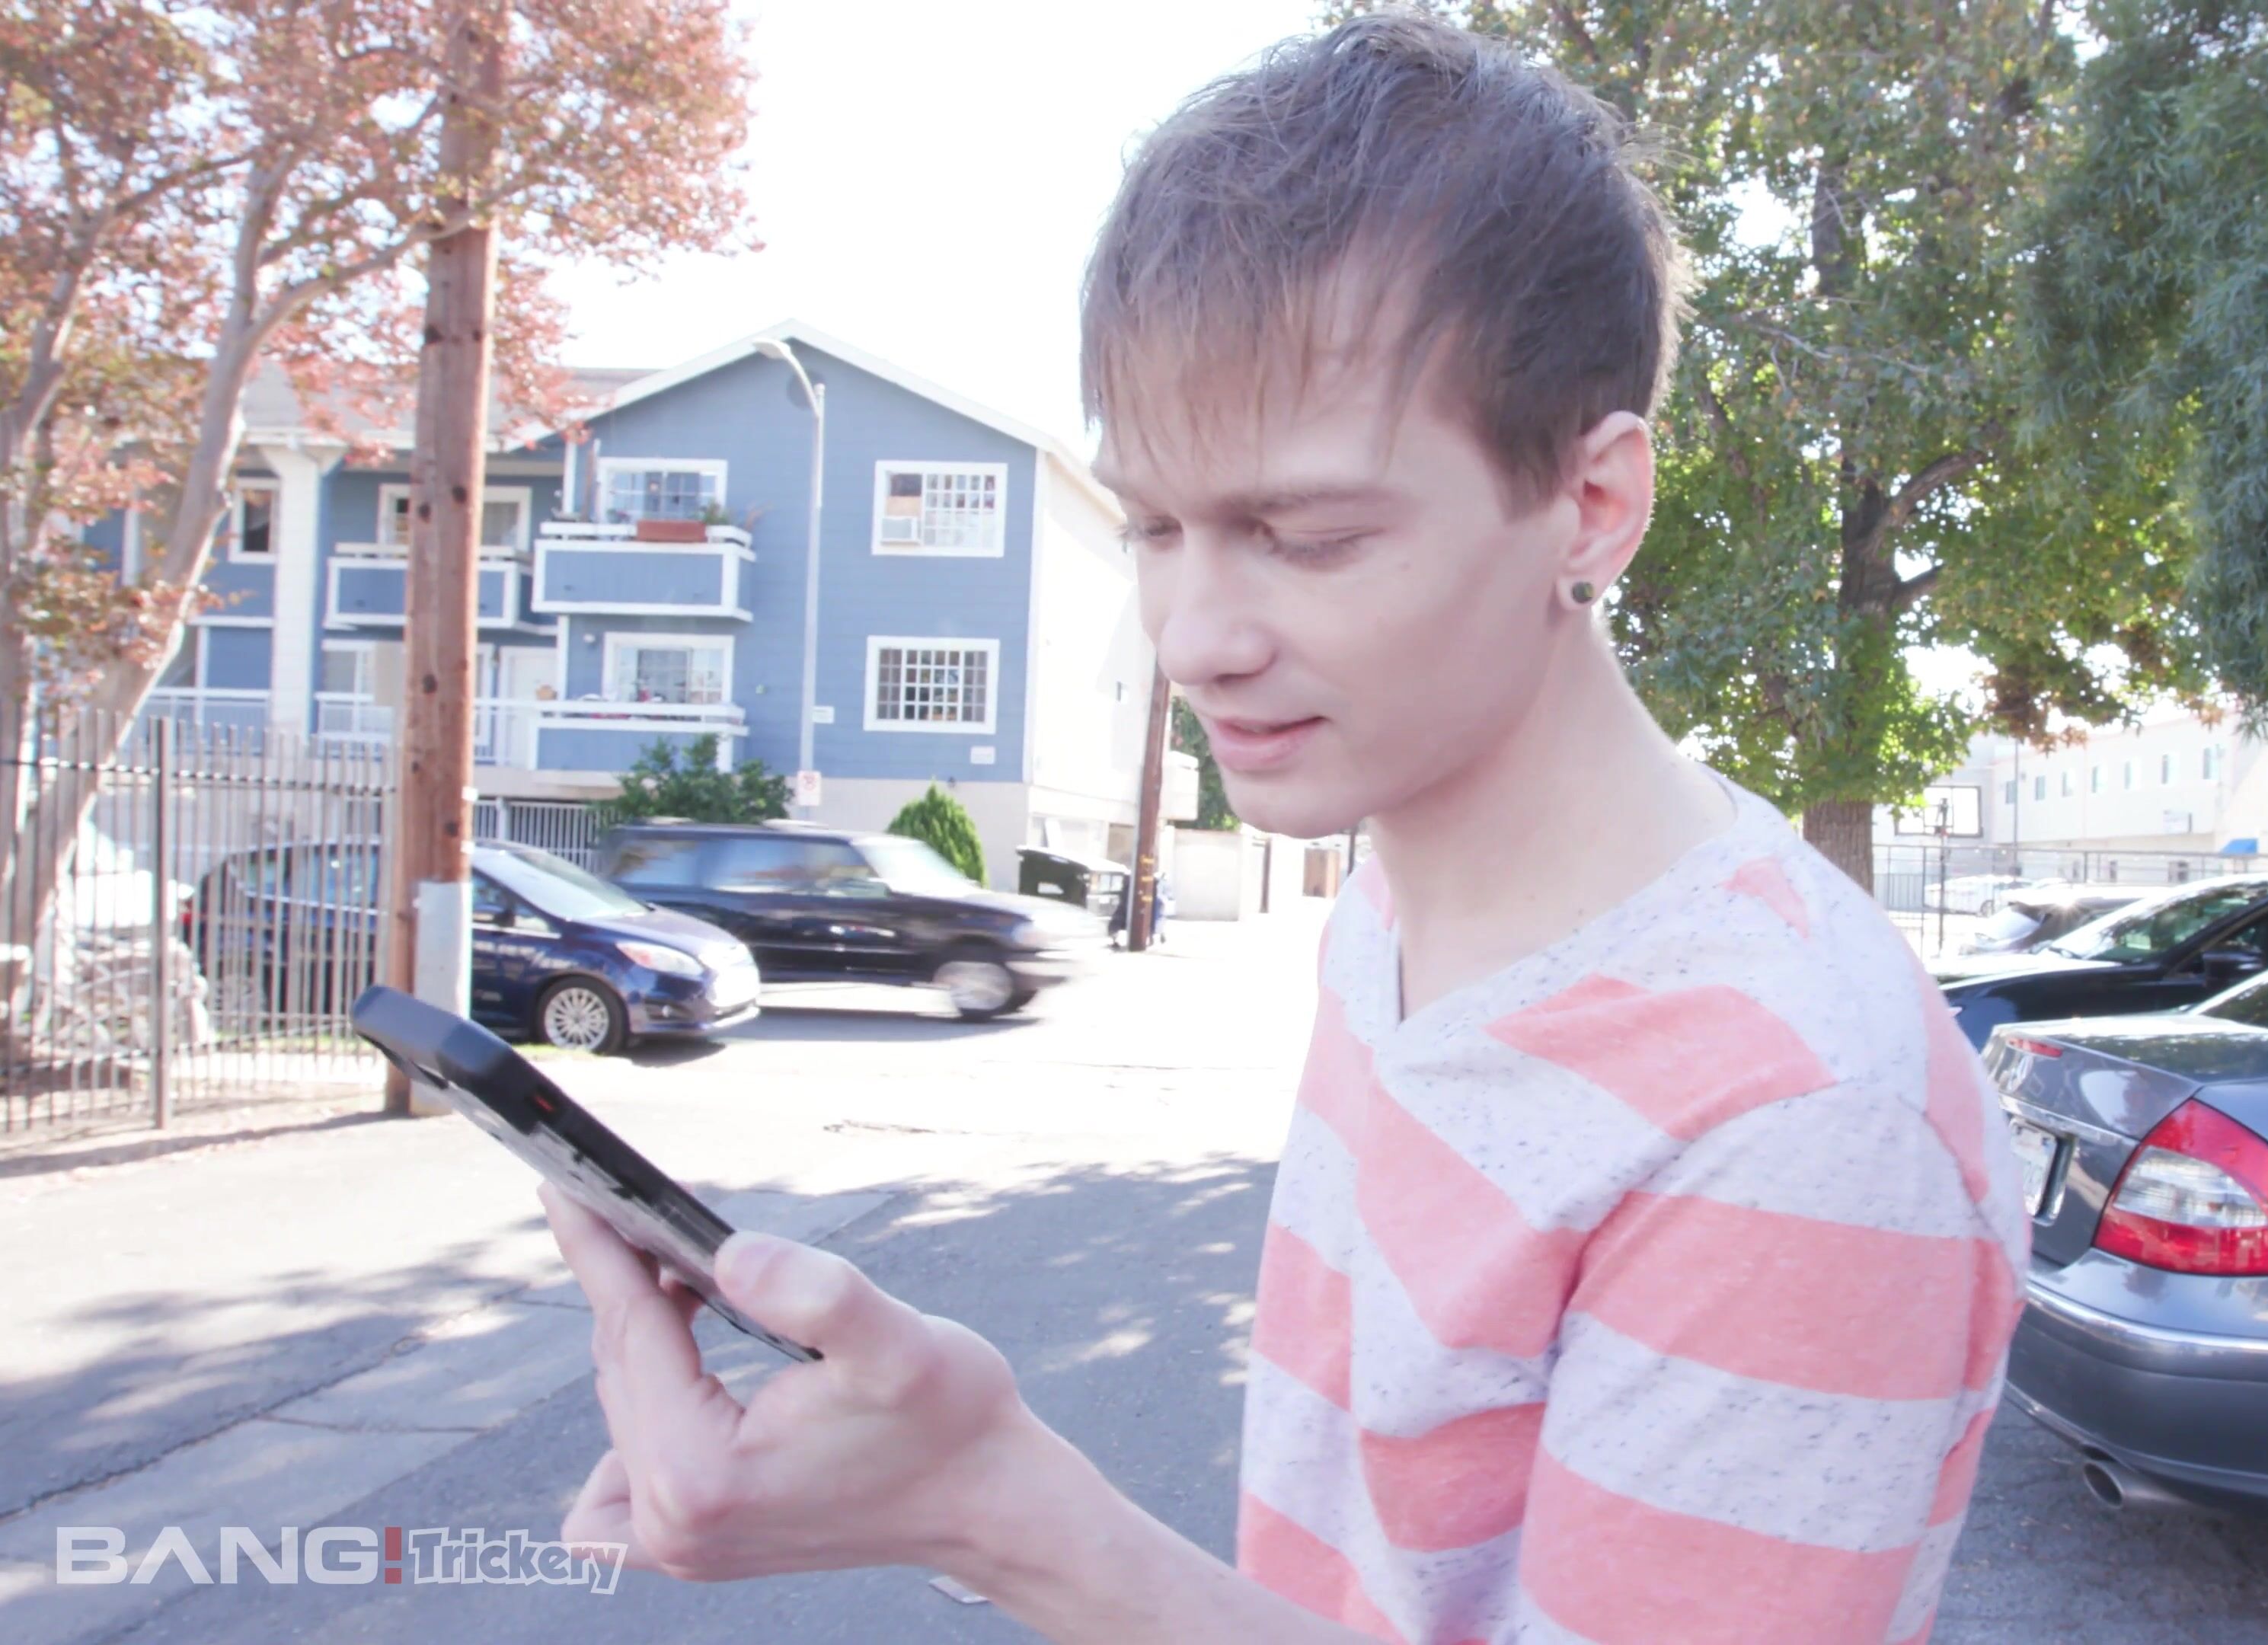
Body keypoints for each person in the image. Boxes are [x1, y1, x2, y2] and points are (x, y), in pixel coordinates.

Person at [539, 15, 2027, 1642]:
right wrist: (929, 1476)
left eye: (1306, 535)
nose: (1193, 636)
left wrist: (992, 1513)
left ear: (1592, 506)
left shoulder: (1798, 1116)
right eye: (1154, 524)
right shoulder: (1392, 911)